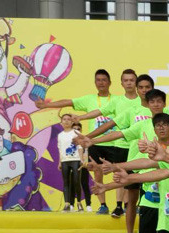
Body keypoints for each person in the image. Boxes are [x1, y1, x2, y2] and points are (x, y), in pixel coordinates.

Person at [76, 90, 169, 233]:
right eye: (152, 101)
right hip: (148, 190)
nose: (161, 127)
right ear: (147, 103)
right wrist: (92, 142)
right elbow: (118, 135)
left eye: (159, 101)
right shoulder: (142, 124)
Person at [36, 69, 117, 215]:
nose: (101, 83)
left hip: (115, 143)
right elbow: (68, 102)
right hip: (95, 143)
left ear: (110, 82)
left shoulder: (117, 100)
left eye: (104, 80)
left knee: (118, 173)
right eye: (98, 80)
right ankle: (103, 205)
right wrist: (46, 105)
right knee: (98, 174)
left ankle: (120, 205)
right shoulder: (89, 99)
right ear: (95, 82)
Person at [72, 69, 142, 233]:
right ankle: (114, 206)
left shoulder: (144, 106)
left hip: (139, 149)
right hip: (120, 144)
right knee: (117, 175)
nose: (129, 83)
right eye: (126, 80)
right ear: (121, 83)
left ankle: (129, 208)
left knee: (136, 181)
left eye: (132, 80)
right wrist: (85, 127)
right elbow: (104, 117)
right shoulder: (118, 102)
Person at [56, 113, 83, 212]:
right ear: (61, 122)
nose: (66, 121)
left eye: (68, 119)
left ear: (72, 122)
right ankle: (67, 204)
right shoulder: (60, 135)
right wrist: (60, 162)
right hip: (65, 161)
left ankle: (79, 202)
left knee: (76, 181)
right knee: (66, 182)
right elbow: (60, 149)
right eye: (64, 119)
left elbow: (80, 147)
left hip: (76, 159)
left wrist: (81, 160)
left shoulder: (76, 132)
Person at [71, 122, 92, 212]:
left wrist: (85, 163)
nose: (76, 131)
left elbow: (87, 152)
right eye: (74, 129)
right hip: (72, 166)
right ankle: (71, 205)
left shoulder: (85, 140)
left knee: (84, 184)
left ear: (81, 130)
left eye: (78, 129)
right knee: (72, 185)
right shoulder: (69, 141)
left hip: (83, 166)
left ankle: (88, 205)